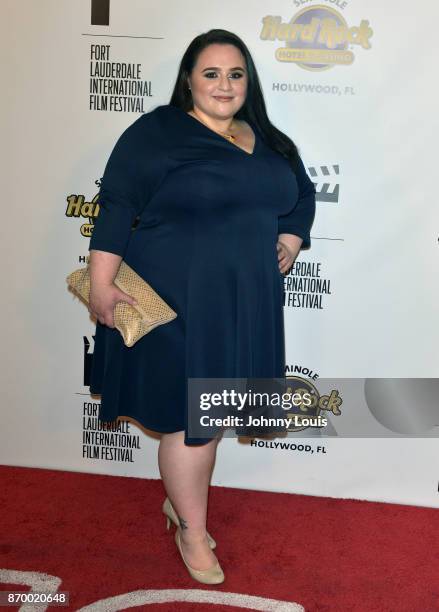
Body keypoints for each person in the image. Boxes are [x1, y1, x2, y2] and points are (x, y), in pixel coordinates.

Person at [87, 29, 316, 585]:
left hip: (246, 302)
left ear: (248, 83)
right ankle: (192, 529)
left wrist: (291, 236)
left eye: (235, 74)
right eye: (211, 73)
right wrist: (101, 285)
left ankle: (181, 508)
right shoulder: (157, 132)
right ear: (189, 77)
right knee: (194, 421)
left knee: (208, 418)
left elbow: (298, 194)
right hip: (177, 300)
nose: (224, 84)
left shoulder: (265, 138)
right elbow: (117, 206)